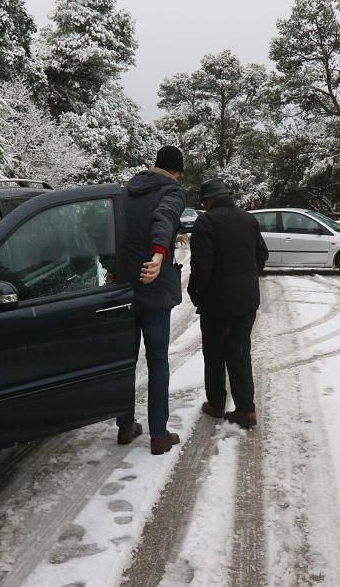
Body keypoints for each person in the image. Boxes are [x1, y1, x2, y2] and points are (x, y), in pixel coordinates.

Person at [116, 145, 187, 455]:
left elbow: (109, 228)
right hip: (154, 289)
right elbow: (164, 217)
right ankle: (158, 435)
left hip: (124, 289)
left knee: (125, 361)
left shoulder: (126, 192)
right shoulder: (172, 191)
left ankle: (125, 426)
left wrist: (109, 266)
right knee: (157, 361)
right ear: (177, 171)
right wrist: (159, 253)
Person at [188, 178, 269, 429]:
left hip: (217, 302)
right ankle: (246, 410)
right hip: (247, 300)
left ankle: (216, 404)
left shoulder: (206, 222)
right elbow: (262, 255)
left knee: (214, 354)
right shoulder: (248, 219)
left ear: (208, 200)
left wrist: (196, 293)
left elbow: (202, 265)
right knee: (240, 351)